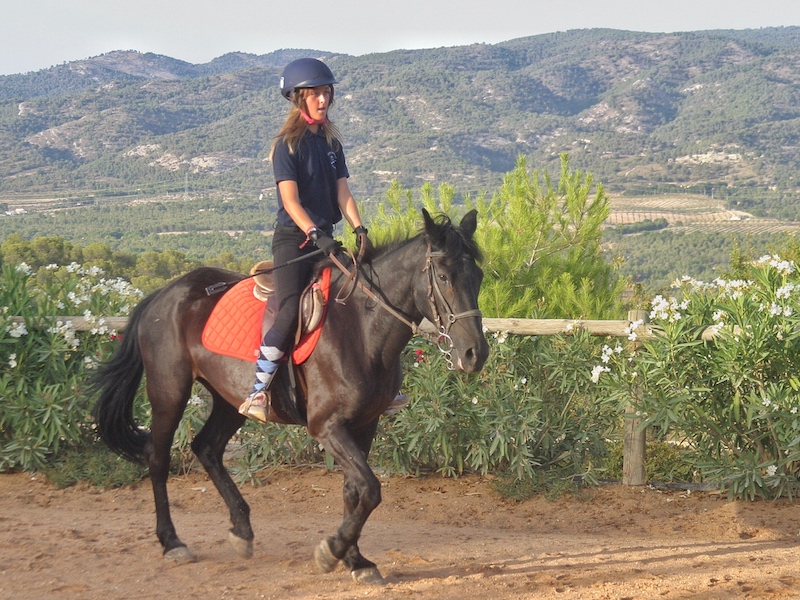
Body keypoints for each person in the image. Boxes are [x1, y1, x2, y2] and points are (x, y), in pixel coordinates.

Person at [239, 58, 370, 423]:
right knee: (289, 309)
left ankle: (372, 384)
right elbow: (290, 202)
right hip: (293, 241)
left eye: (325, 92)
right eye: (314, 94)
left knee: (361, 296)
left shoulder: (332, 144)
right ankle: (258, 391)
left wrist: (359, 229)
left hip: (325, 238)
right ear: (299, 99)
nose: (322, 99)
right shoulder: (287, 146)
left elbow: (343, 193)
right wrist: (314, 233)